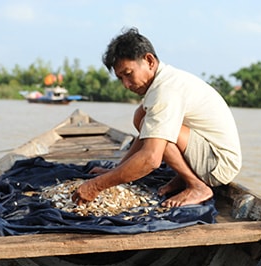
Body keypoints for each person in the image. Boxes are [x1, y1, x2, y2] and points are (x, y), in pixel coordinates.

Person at [72, 28, 242, 208]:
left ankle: (197, 186)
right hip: (206, 153)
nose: (126, 85)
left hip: (218, 165)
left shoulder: (166, 90)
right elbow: (146, 132)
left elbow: (151, 159)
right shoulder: (163, 81)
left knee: (158, 131)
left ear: (149, 61)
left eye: (128, 74)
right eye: (121, 78)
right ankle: (184, 177)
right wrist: (116, 170)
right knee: (143, 117)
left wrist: (96, 185)